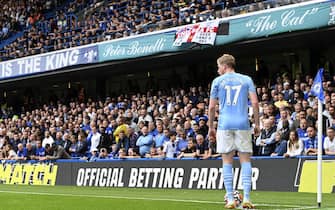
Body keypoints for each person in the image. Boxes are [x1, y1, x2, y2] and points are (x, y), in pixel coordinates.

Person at [208, 54, 260, 209]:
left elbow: (211, 107)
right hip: (243, 123)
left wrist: (211, 127)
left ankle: (230, 199)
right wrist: (257, 124)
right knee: (245, 160)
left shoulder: (217, 81)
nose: (218, 70)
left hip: (225, 124)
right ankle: (247, 199)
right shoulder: (246, 79)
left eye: (218, 67)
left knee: (227, 162)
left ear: (224, 66)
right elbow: (255, 103)